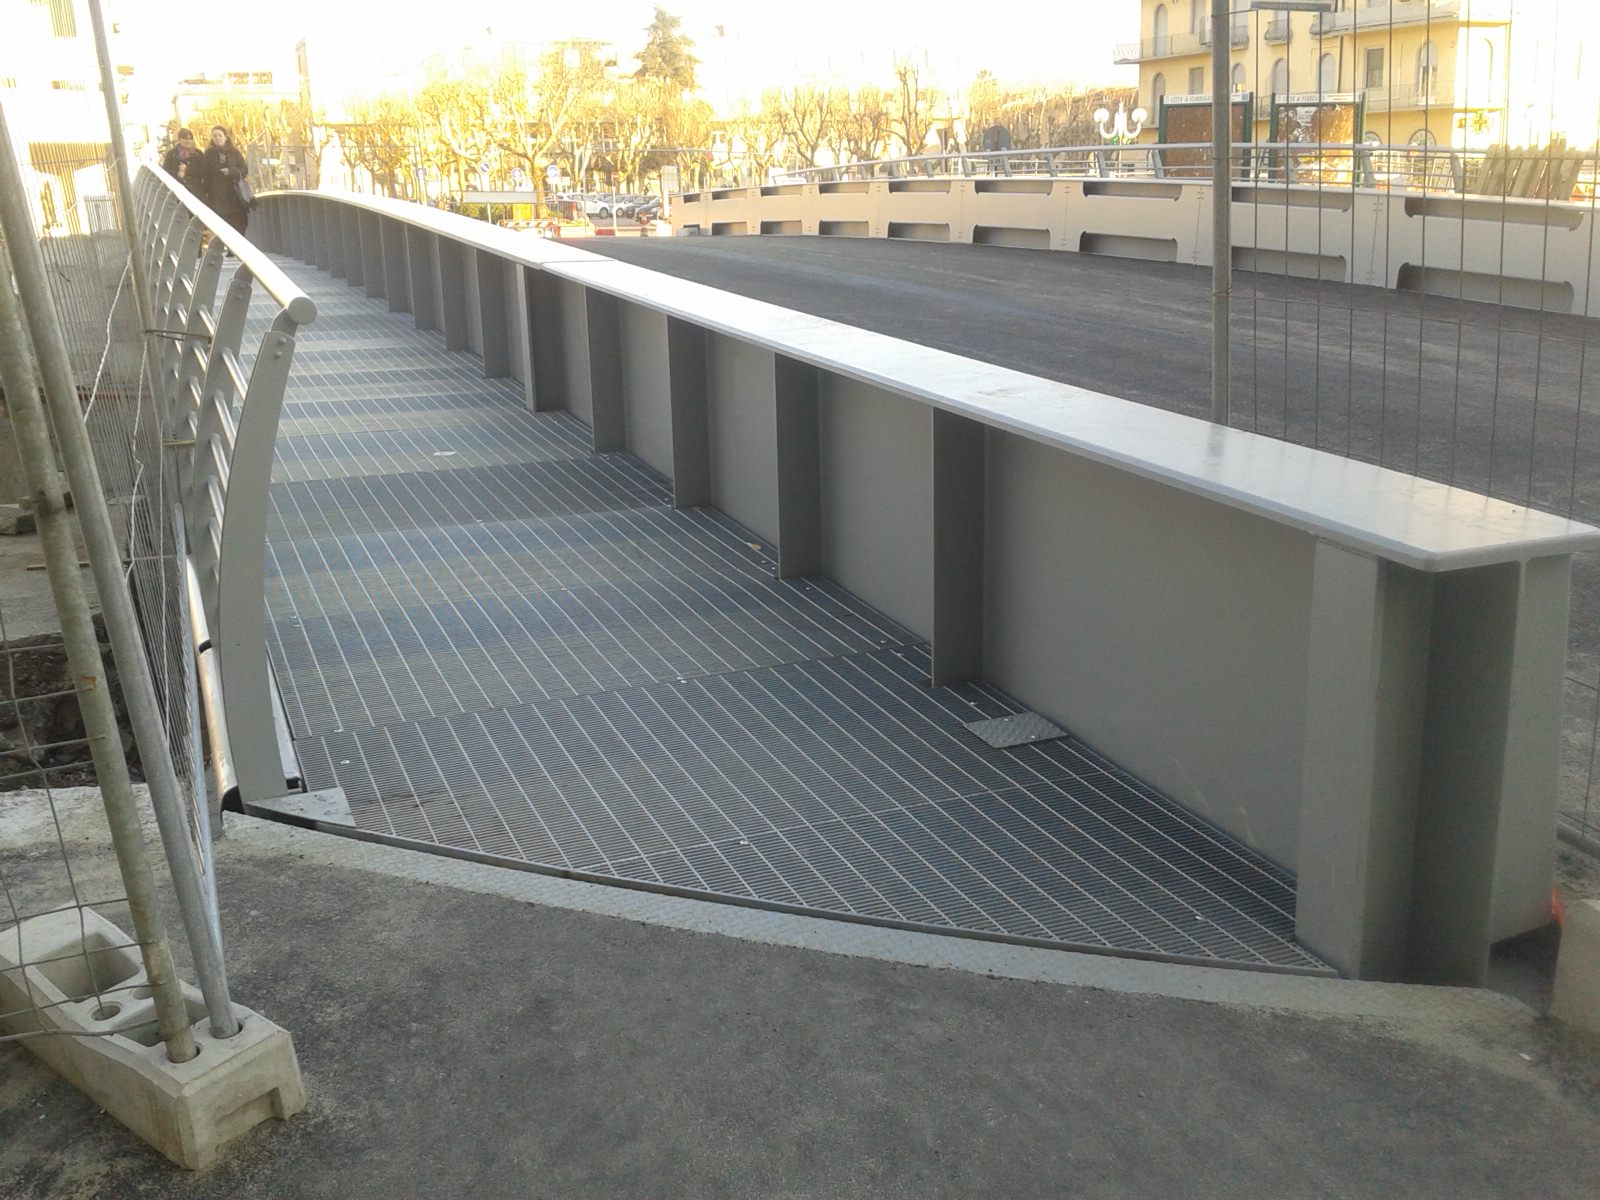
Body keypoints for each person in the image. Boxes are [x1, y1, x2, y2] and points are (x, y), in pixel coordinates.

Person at [202, 126, 250, 234]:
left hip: (235, 195)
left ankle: (236, 249)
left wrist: (232, 171)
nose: (217, 138)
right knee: (223, 227)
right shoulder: (208, 154)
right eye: (215, 136)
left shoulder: (234, 152)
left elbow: (244, 169)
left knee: (238, 225)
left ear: (225, 137)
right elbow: (205, 174)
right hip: (217, 196)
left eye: (220, 135)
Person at [160, 128, 209, 200]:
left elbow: (204, 171)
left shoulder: (198, 153)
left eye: (190, 139)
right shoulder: (171, 154)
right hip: (178, 191)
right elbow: (165, 172)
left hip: (196, 191)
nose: (188, 141)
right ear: (179, 139)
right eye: (185, 138)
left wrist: (187, 169)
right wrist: (177, 174)